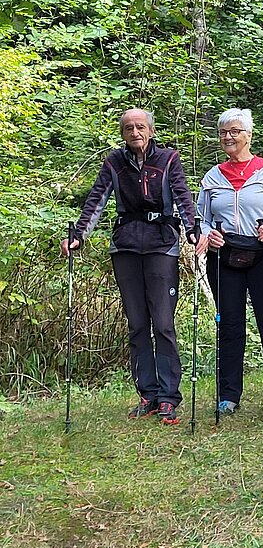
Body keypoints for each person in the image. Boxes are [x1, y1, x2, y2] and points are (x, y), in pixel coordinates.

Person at [61, 108, 196, 425]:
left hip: (162, 244)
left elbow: (182, 196)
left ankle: (168, 398)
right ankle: (147, 394)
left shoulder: (168, 158)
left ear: (150, 130)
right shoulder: (114, 162)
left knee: (162, 323)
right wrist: (79, 234)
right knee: (137, 324)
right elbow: (97, 198)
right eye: (128, 128)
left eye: (140, 127)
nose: (134, 132)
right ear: (122, 133)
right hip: (125, 245)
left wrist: (193, 230)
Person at [196, 107, 263, 419]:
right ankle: (228, 396)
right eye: (223, 132)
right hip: (224, 257)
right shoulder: (212, 177)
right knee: (229, 325)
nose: (228, 137)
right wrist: (208, 235)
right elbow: (202, 220)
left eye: (234, 131)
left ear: (248, 135)